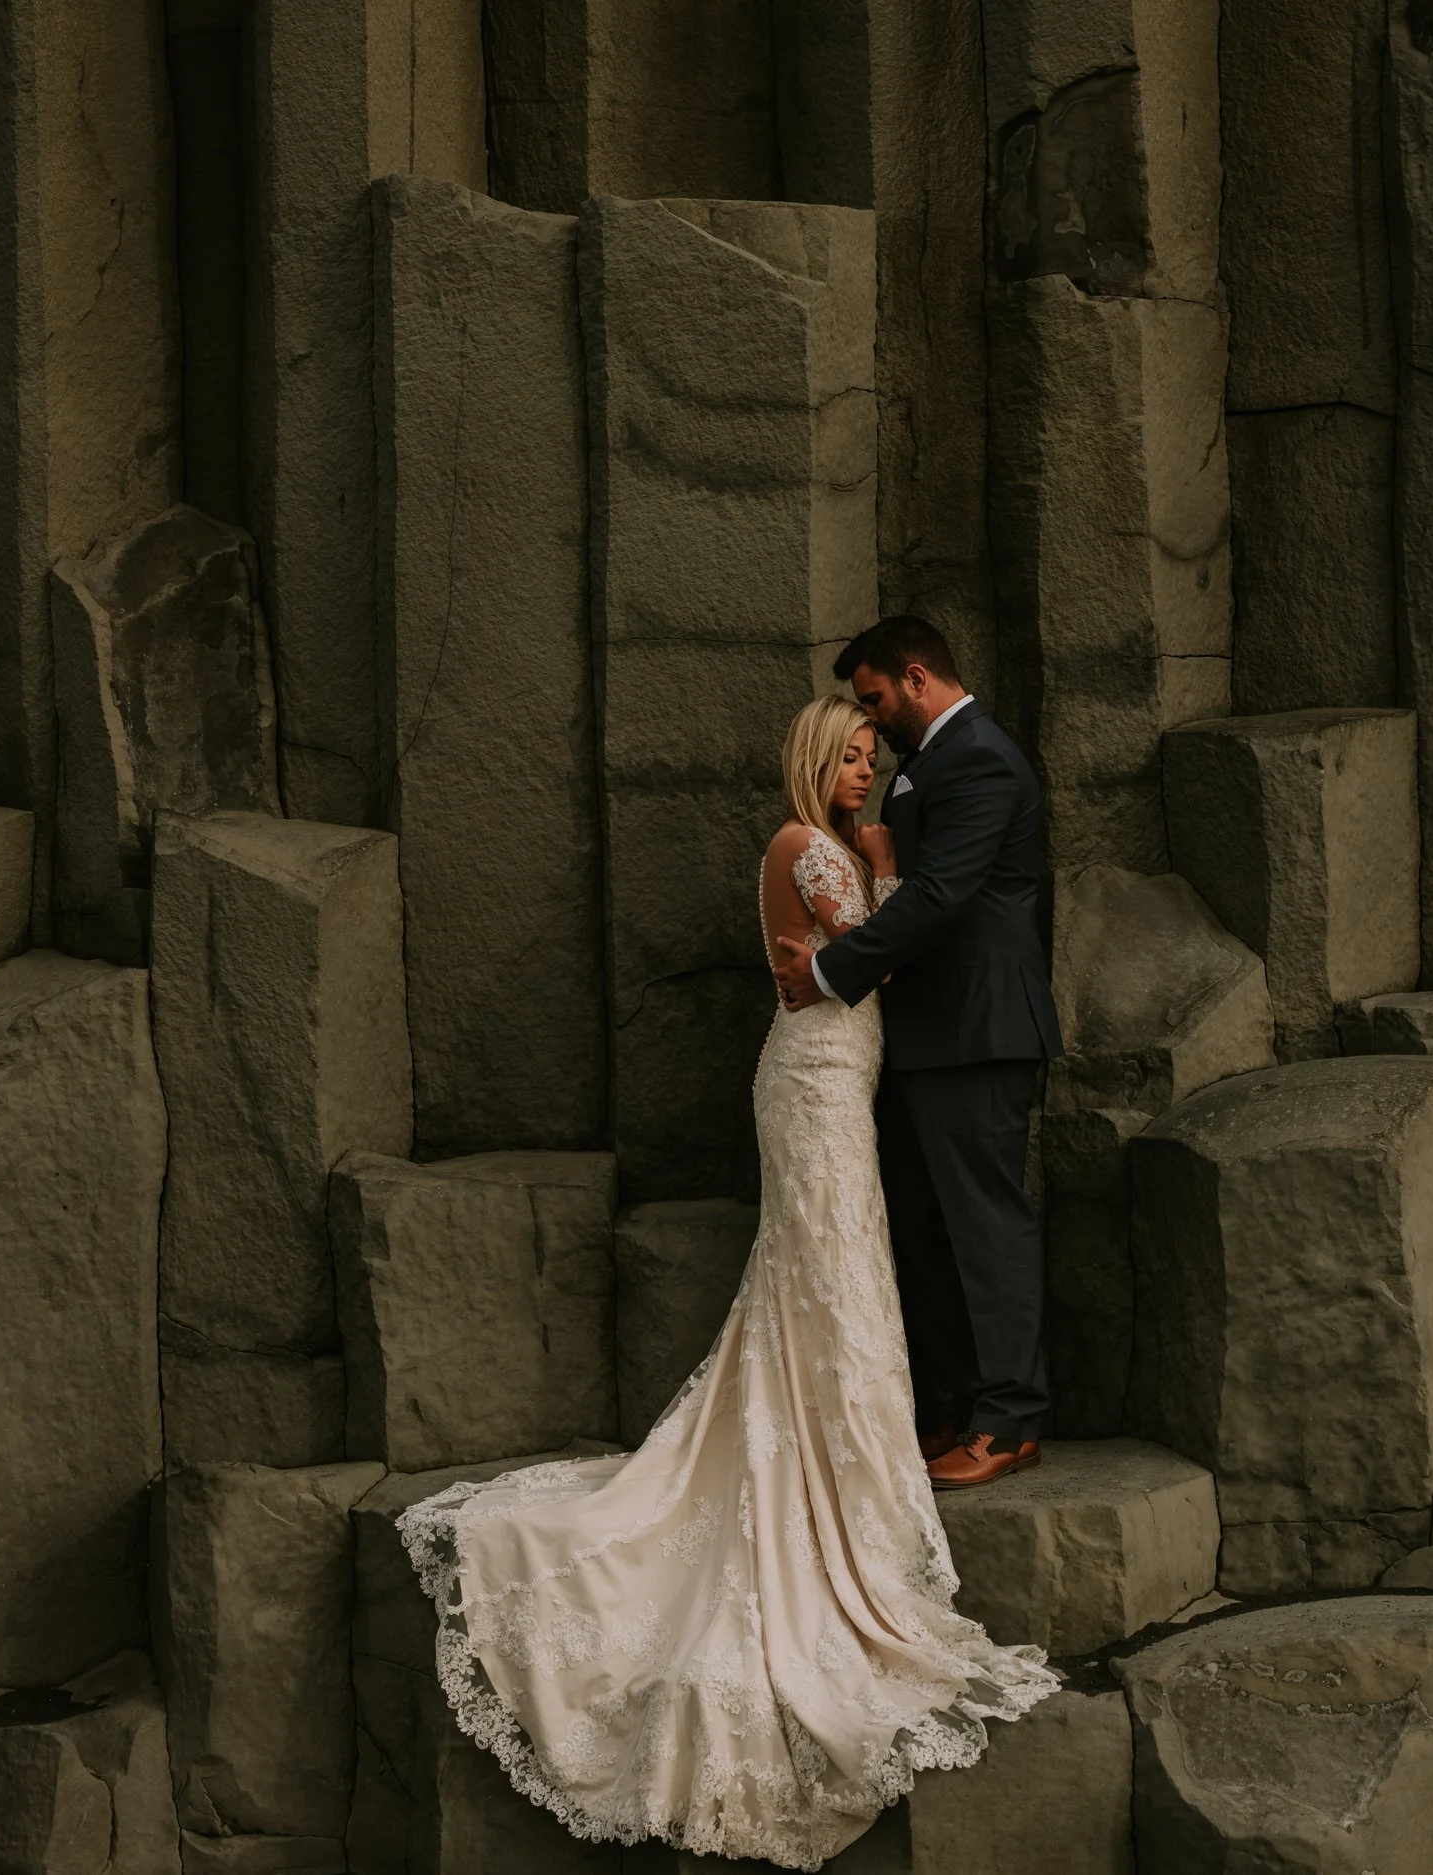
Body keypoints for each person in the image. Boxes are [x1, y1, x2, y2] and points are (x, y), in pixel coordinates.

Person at [396, 692, 1057, 1871]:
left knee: (835, 1275)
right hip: (808, 1082)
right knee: (825, 1270)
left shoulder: (842, 849)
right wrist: (886, 869)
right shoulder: (801, 848)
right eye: (846, 758)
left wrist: (883, 870)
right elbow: (854, 967)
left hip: (843, 1081)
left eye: (870, 757)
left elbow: (866, 959)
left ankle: (830, 1441)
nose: (863, 772)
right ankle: (811, 1458)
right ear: (811, 762)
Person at [770, 616, 1063, 1489]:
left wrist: (827, 969)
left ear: (916, 675)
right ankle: (961, 1404)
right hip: (927, 1035)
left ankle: (1010, 1420)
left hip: (978, 1031)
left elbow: (941, 895)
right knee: (931, 1229)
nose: (874, 720)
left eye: (875, 700)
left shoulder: (978, 756)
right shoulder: (933, 761)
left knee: (985, 1223)